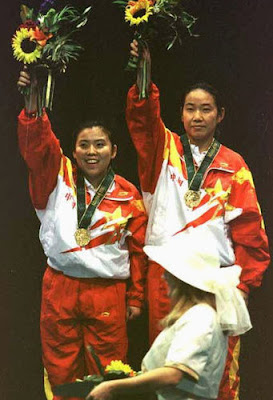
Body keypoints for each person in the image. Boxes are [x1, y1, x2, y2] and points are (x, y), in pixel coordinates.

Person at [125, 40, 270, 400]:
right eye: (190, 109)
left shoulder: (235, 166)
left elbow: (252, 236)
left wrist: (242, 287)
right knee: (167, 369)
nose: (197, 116)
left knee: (217, 375)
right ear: (181, 114)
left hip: (215, 282)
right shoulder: (163, 150)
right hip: (167, 280)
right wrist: (144, 75)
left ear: (221, 115)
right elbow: (142, 121)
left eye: (206, 109)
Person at [17, 68, 148, 399]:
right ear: (73, 151)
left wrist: (135, 297)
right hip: (60, 287)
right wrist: (32, 105)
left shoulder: (128, 194)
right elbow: (37, 147)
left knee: (108, 373)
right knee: (61, 372)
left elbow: (138, 250)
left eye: (100, 145)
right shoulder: (56, 175)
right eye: (84, 145)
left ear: (114, 150)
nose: (92, 152)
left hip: (107, 293)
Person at [87, 227, 252, 400]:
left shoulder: (201, 317)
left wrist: (112, 387)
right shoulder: (200, 316)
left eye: (169, 272)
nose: (164, 277)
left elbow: (174, 375)